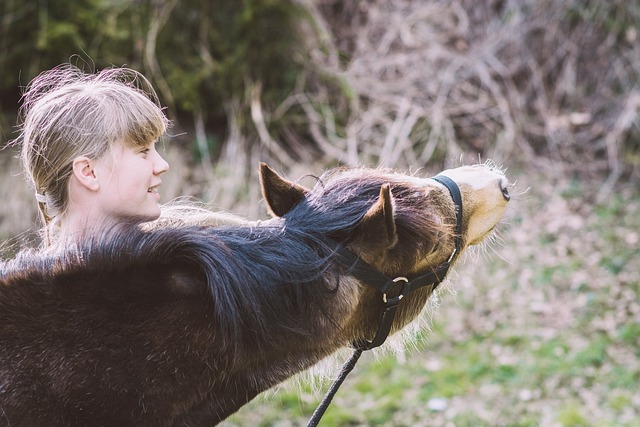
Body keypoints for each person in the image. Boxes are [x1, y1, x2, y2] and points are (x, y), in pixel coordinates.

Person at [14, 64, 171, 248]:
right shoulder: (27, 277)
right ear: (88, 172)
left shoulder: (186, 270)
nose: (162, 165)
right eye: (143, 151)